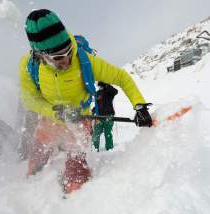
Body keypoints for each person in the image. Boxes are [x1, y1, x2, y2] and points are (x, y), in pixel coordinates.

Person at [19, 9, 152, 194]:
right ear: (40, 55)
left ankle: (77, 200)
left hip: (80, 121)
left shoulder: (84, 61)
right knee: (35, 163)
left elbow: (122, 77)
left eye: (68, 52)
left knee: (76, 171)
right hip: (50, 119)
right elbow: (29, 100)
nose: (66, 60)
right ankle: (30, 194)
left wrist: (139, 106)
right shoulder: (29, 65)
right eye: (58, 58)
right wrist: (55, 111)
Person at [92, 82, 118, 151]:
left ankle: (109, 149)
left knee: (108, 133)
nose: (99, 87)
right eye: (99, 86)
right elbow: (97, 104)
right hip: (99, 116)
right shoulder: (97, 93)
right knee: (96, 133)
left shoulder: (109, 92)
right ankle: (94, 149)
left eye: (101, 85)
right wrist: (94, 110)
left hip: (109, 115)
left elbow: (115, 91)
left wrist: (107, 85)